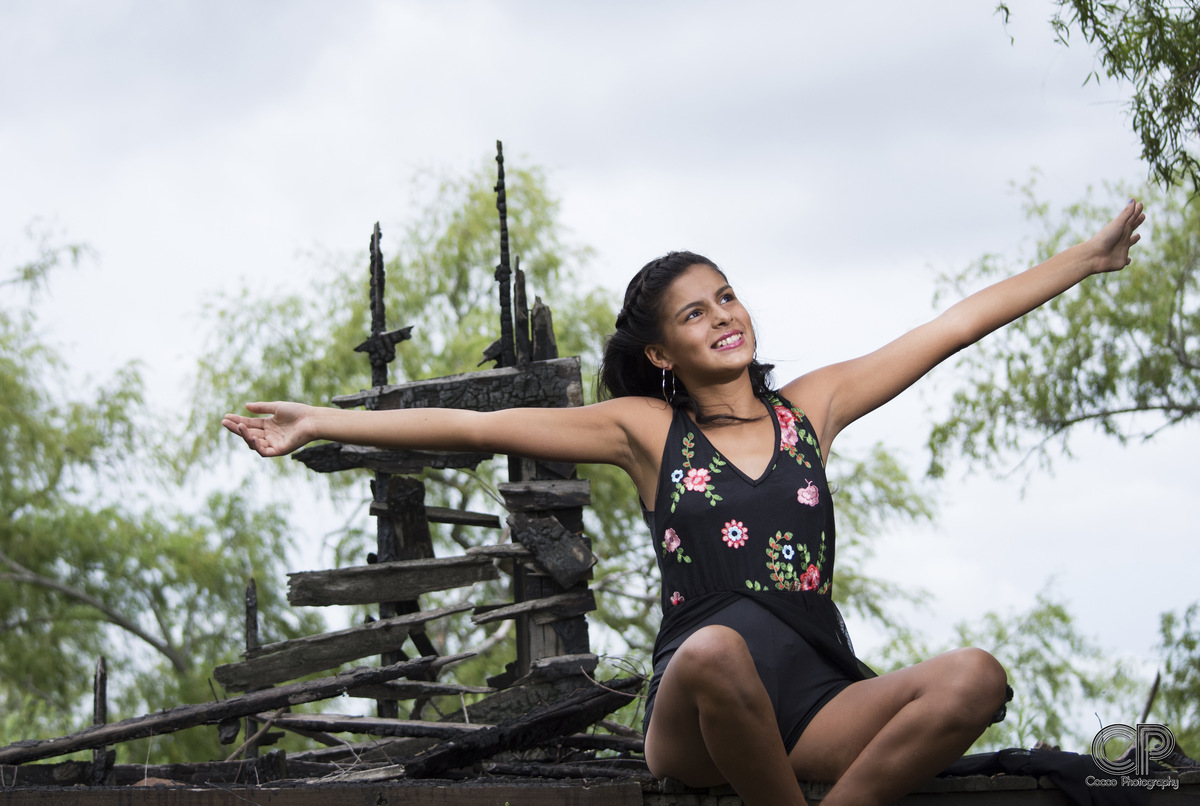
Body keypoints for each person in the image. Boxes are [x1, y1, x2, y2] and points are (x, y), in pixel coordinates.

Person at [222, 199, 1144, 806]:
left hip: (817, 702)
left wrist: (1086, 258)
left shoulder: (811, 410)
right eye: (695, 313)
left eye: (726, 296)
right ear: (662, 353)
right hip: (700, 710)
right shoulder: (647, 431)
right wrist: (323, 421)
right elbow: (475, 426)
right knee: (713, 649)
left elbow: (953, 326)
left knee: (975, 675)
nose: (723, 315)